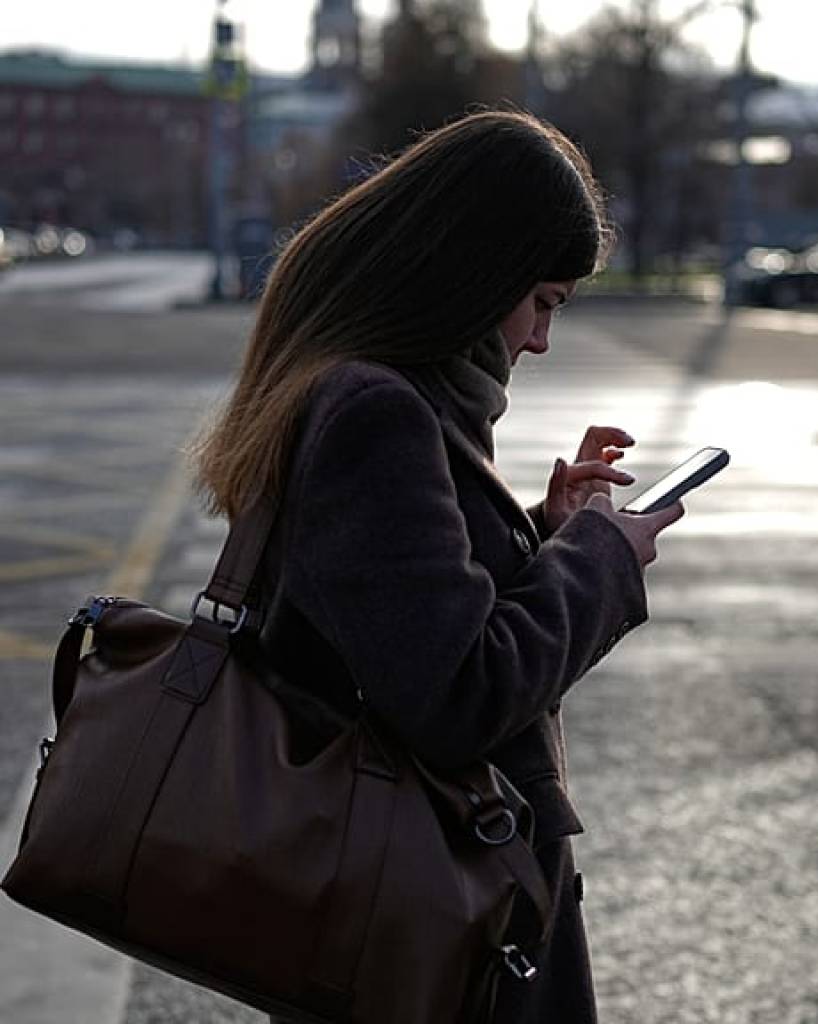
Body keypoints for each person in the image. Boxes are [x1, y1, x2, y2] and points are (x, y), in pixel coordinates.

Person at [191, 109, 683, 1023]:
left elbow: (395, 621)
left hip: (398, 907)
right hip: (424, 922)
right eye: (543, 302)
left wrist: (546, 530)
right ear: (474, 272)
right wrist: (603, 563)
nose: (540, 339)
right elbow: (457, 696)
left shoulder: (366, 386)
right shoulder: (376, 410)